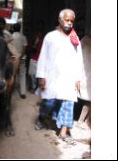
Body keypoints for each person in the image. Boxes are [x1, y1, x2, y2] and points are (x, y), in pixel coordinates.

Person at [35, 9, 83, 145]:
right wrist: (41, 76)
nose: (69, 23)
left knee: (68, 105)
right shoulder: (50, 36)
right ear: (60, 20)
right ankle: (41, 118)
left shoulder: (74, 39)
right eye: (67, 20)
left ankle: (63, 133)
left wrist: (78, 78)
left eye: (72, 21)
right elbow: (43, 56)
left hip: (69, 79)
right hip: (52, 78)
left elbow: (79, 59)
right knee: (49, 102)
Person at [77, 34, 91, 129]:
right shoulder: (85, 42)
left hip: (85, 75)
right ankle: (81, 121)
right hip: (86, 75)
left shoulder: (83, 41)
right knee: (88, 101)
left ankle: (86, 121)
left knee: (88, 101)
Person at [12, 23, 28, 99]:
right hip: (22, 58)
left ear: (13, 28)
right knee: (22, 75)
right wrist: (21, 56)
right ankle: (23, 93)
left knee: (13, 74)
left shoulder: (11, 37)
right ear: (19, 28)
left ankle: (12, 90)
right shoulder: (23, 37)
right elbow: (25, 48)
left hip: (13, 58)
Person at [28, 21, 44, 93]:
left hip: (42, 59)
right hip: (34, 58)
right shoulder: (34, 36)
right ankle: (34, 87)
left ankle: (38, 88)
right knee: (32, 75)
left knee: (40, 75)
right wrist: (35, 43)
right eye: (38, 26)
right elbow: (31, 48)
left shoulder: (46, 37)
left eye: (40, 26)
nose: (39, 27)